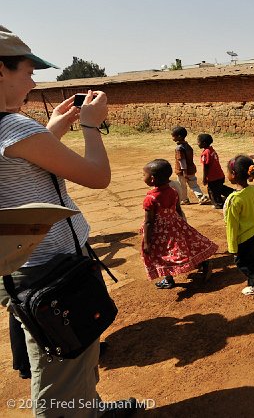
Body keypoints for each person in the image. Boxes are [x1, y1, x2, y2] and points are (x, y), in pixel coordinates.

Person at [0, 25, 135, 416]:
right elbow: (97, 176)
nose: (34, 78)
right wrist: (91, 126)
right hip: (51, 268)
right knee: (61, 372)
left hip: (24, 266)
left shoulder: (11, 129)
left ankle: (88, 408)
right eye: (27, 70)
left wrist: (53, 128)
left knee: (73, 351)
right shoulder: (15, 126)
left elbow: (20, 163)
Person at [140, 159, 216, 289]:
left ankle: (168, 279)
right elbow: (178, 210)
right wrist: (183, 226)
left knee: (162, 255)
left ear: (152, 179)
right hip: (176, 225)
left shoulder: (150, 199)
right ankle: (203, 264)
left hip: (159, 232)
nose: (143, 177)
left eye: (144, 175)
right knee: (184, 249)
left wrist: (147, 242)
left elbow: (149, 222)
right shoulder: (172, 191)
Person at [225, 155, 254, 302]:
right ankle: (253, 286)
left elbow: (231, 226)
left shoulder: (234, 199)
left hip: (244, 238)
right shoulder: (253, 190)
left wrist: (232, 247)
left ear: (233, 175)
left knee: (242, 263)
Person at [171, 126, 210, 205]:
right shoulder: (187, 146)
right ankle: (201, 197)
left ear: (179, 136)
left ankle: (184, 199)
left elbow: (182, 161)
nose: (172, 138)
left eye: (173, 136)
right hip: (191, 169)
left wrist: (185, 172)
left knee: (182, 186)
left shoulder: (179, 148)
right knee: (194, 185)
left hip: (182, 172)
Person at [197, 133, 233, 209]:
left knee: (212, 191)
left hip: (213, 177)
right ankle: (233, 193)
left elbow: (206, 167)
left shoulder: (205, 153)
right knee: (220, 188)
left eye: (198, 142)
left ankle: (218, 204)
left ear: (204, 143)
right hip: (219, 175)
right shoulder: (212, 150)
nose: (197, 143)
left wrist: (204, 178)